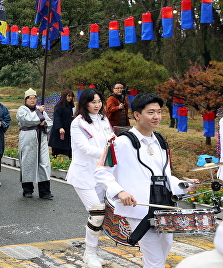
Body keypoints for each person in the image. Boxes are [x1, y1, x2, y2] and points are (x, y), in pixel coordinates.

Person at [94, 93, 187, 268]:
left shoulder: (160, 141)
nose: (156, 117)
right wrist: (120, 192)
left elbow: (165, 176)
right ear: (137, 115)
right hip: (139, 209)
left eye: (159, 112)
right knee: (155, 259)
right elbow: (101, 172)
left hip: (164, 208)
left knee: (164, 249)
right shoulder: (119, 142)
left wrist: (183, 186)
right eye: (151, 112)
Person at [67, 87, 115, 268]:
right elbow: (85, 148)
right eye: (93, 102)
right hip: (84, 175)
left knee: (102, 213)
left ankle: (92, 251)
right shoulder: (77, 123)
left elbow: (112, 139)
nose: (97, 105)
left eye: (99, 101)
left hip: (102, 174)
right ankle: (89, 254)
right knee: (97, 211)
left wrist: (117, 148)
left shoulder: (103, 118)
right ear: (84, 103)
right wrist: (108, 154)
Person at [17, 88, 54, 199]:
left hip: (41, 139)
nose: (33, 100)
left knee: (44, 163)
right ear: (26, 99)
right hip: (28, 139)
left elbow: (49, 122)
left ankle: (45, 191)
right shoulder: (22, 110)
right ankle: (27, 190)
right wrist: (39, 116)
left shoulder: (40, 109)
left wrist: (44, 123)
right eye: (30, 98)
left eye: (34, 98)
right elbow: (26, 120)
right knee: (27, 163)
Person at [49, 89, 75, 158]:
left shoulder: (71, 106)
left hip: (68, 128)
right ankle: (56, 158)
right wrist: (60, 127)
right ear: (64, 96)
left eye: (71, 96)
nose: (70, 98)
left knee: (68, 147)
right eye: (68, 96)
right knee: (58, 146)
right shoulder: (59, 106)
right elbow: (57, 118)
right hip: (60, 129)